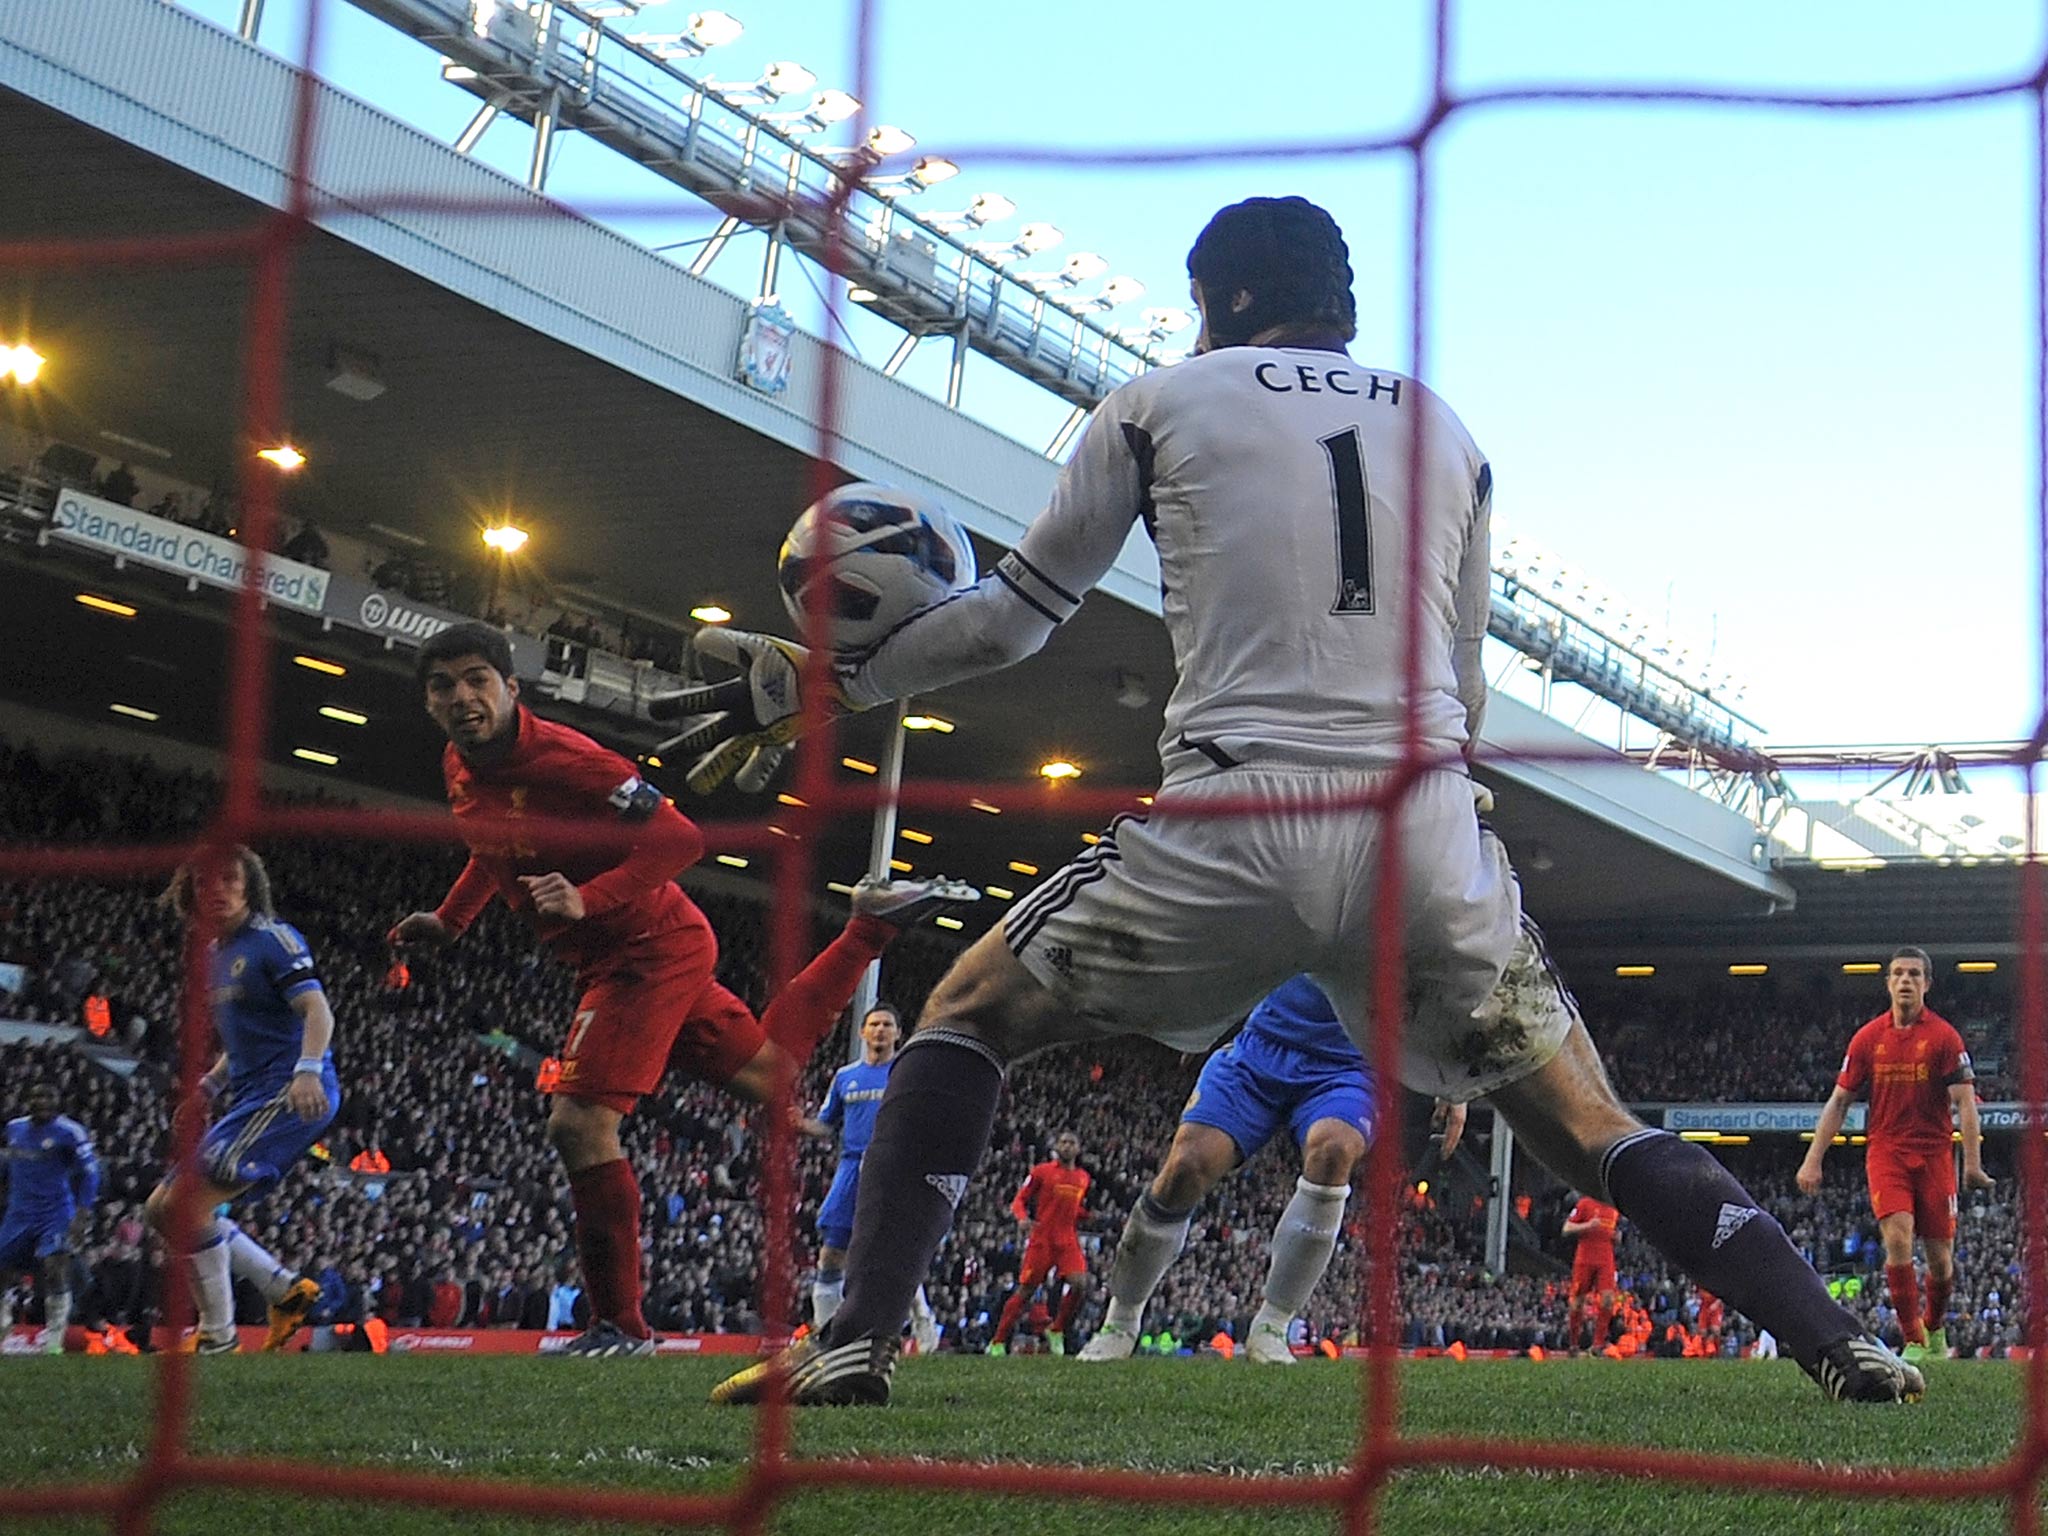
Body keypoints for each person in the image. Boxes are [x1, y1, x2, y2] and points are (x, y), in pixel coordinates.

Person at [707, 195, 1921, 1407]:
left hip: (1237, 818)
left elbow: (1014, 619)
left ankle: (858, 1338)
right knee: (1590, 1126)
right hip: (1422, 827)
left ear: (1229, 300)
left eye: (1196, 304)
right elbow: (1463, 682)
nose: (1188, 329)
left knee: (965, 1014)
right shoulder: (1443, 430)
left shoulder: (1155, 404)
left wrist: (831, 680)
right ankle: (1839, 1344)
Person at [390, 621, 976, 1358]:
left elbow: (680, 840)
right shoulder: (462, 765)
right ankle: (866, 930)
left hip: (643, 949)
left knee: (578, 1124)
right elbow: (494, 850)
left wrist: (588, 899)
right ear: (430, 702)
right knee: (771, 1073)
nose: (462, 697)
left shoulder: (569, 759)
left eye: (478, 679)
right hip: (622, 951)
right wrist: (449, 921)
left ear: (511, 688)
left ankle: (620, 1329)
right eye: (443, 686)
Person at [1078, 976, 1376, 1366]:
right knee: (1185, 1168)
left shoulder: (1418, 919)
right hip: (1259, 1051)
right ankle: (1121, 1320)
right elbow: (1240, 947)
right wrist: (1206, 1024)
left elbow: (1454, 980)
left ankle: (1272, 1326)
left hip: (1351, 1065)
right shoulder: (1290, 912)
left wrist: (1455, 1086)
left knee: (1334, 1149)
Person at [144, 847, 333, 1354]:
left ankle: (218, 1337)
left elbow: (318, 1010)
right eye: (206, 883)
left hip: (287, 1093)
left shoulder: (273, 940)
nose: (218, 891)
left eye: (230, 880)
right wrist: (207, 1086)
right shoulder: (215, 955)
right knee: (160, 1210)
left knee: (185, 1205)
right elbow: (241, 1040)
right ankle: (283, 1289)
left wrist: (308, 1071)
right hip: (250, 1096)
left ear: (250, 886)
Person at [1798, 946, 1990, 1362]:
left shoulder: (1943, 1037)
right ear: (1888, 982)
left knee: (1941, 1261)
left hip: (1935, 1154)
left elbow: (1966, 1103)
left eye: (1914, 974)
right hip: (1886, 1152)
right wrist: (1813, 1158)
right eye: (1898, 973)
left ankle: (1936, 1328)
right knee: (1898, 1239)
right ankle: (1914, 1340)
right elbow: (1839, 1101)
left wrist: (1972, 1163)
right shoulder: (1868, 1038)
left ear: (1927, 984)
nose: (1905, 980)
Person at [802, 1002, 940, 1352]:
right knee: (832, 1251)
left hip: (893, 1167)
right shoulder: (845, 1076)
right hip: (850, 1168)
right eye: (874, 1024)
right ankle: (826, 1333)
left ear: (898, 1033)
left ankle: (923, 1320)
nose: (880, 1030)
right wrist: (799, 1124)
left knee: (893, 1250)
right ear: (863, 1032)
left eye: (887, 1025)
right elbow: (826, 1124)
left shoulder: (906, 1072)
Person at [0, 1082, 100, 1353]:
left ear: (58, 1101)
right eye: (36, 1095)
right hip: (18, 1212)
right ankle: (3, 1325)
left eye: (48, 1095)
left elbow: (91, 1174)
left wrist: (82, 1214)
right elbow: (8, 1166)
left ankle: (54, 1340)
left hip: (55, 1212)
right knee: (4, 1271)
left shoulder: (70, 1132)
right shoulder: (14, 1129)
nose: (41, 1101)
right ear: (27, 1100)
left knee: (54, 1268)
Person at [987, 1130, 1091, 1356]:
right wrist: (1022, 1218)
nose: (1066, 1146)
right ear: (1057, 1147)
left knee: (1080, 1284)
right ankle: (997, 1341)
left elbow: (1073, 1208)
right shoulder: (1042, 1172)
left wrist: (1088, 1215)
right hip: (1042, 1238)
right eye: (1062, 1142)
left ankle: (1057, 1329)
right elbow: (1019, 1199)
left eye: (1071, 1143)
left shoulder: (1083, 1177)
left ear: (1078, 1149)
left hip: (1067, 1239)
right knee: (1026, 1291)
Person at [1561, 1191, 1621, 1354]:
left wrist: (1616, 1237)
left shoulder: (1613, 1209)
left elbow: (1612, 1232)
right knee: (1578, 1301)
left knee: (1608, 1299)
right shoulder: (1585, 1203)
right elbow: (1567, 1228)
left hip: (1606, 1257)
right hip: (1585, 1257)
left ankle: (1598, 1344)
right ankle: (1573, 1343)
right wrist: (1587, 1225)